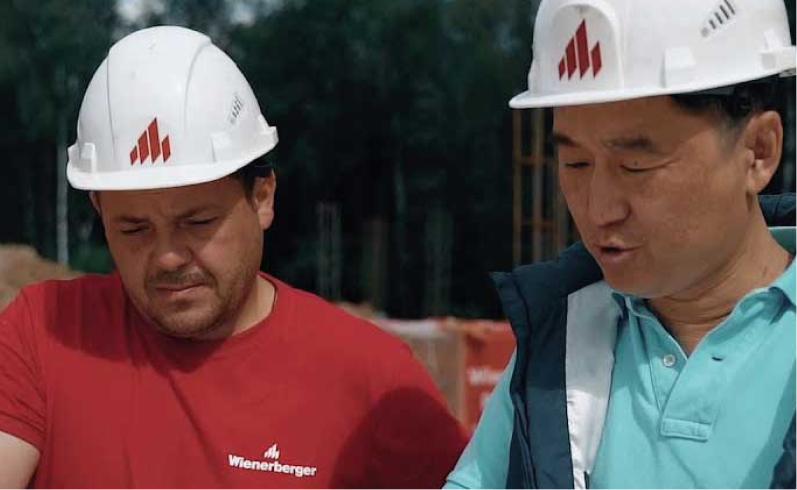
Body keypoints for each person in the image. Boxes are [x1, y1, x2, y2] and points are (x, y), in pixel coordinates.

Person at [0, 26, 467, 490]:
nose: (167, 257)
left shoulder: (370, 379)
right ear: (99, 211)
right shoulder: (44, 331)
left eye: (198, 222)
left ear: (262, 198)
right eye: (134, 229)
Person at [443, 0, 797, 489]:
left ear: (758, 151)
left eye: (636, 166)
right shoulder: (560, 346)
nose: (599, 208)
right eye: (576, 164)